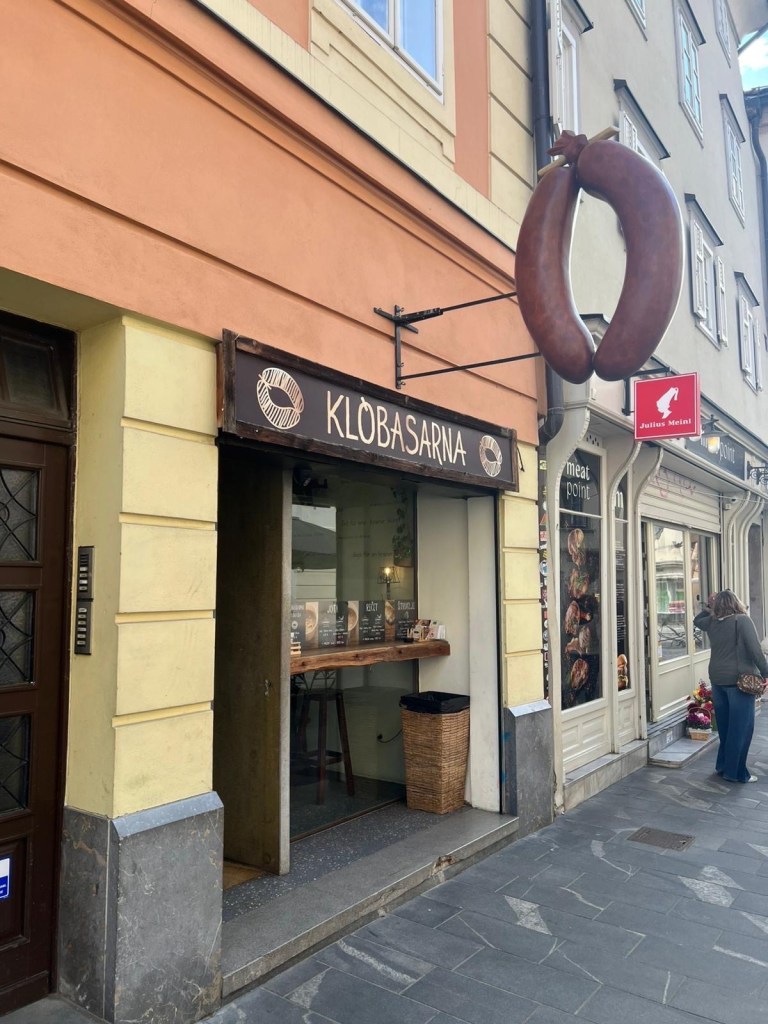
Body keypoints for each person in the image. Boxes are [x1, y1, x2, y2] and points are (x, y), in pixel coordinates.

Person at [694, 589, 768, 783]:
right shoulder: (742, 620)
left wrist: (709, 606)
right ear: (736, 602)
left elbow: (697, 620)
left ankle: (723, 766)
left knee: (726, 727)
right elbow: (755, 651)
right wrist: (766, 673)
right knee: (741, 729)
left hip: (717, 679)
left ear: (717, 605)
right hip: (739, 681)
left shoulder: (712, 622)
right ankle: (736, 774)